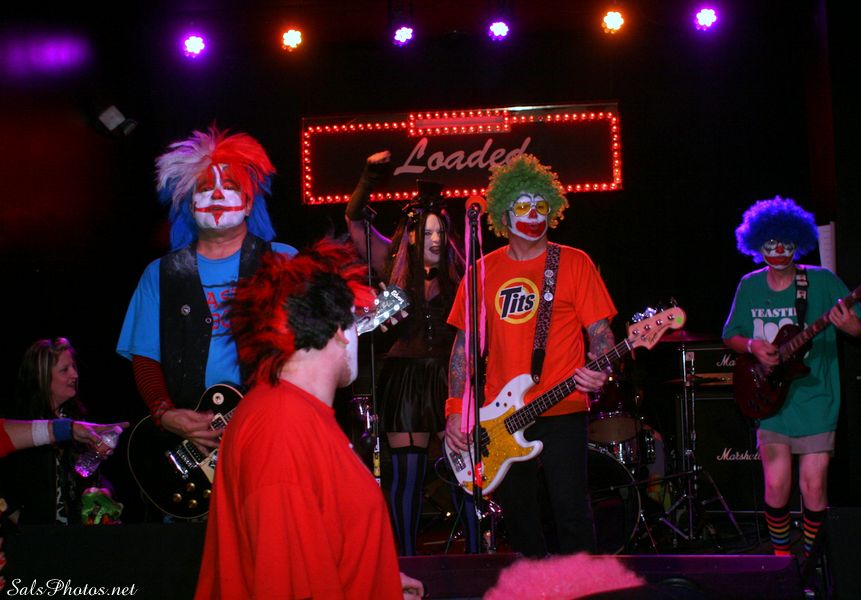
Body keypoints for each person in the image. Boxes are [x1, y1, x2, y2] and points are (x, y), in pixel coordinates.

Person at [194, 238, 423, 600]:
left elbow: (323, 543)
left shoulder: (297, 414)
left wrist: (378, 582)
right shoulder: (283, 430)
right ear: (339, 330)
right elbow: (283, 585)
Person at [443, 154, 617, 557]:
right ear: (503, 214)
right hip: (500, 417)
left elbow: (601, 335)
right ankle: (532, 582)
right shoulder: (481, 271)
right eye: (523, 206)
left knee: (570, 509)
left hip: (563, 404)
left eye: (541, 205)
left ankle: (584, 582)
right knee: (519, 517)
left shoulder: (573, 262)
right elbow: (464, 348)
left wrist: (602, 367)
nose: (535, 214)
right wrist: (455, 410)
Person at [117, 126, 296, 461]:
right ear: (190, 205)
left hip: (272, 430)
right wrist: (165, 413)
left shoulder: (285, 262)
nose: (216, 195)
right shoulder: (161, 274)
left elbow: (318, 342)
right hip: (192, 449)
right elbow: (144, 356)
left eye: (229, 187)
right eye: (204, 188)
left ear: (248, 204)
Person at [722, 196, 861, 557]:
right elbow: (730, 335)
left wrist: (855, 329)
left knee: (814, 487)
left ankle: (811, 562)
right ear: (756, 245)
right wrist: (752, 345)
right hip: (771, 399)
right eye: (770, 243)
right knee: (776, 486)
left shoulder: (822, 281)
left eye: (786, 243)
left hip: (816, 396)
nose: (778, 250)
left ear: (798, 242)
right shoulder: (749, 285)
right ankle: (782, 562)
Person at [345, 151, 467, 555]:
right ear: (411, 235)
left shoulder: (460, 272)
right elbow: (354, 218)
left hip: (449, 378)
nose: (434, 239)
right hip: (404, 380)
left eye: (440, 232)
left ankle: (477, 557)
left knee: (464, 471)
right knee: (406, 476)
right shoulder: (392, 263)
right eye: (426, 232)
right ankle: (407, 561)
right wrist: (367, 177)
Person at [0, 338, 126, 524]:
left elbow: (86, 475)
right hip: (32, 534)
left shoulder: (77, 420)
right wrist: (14, 515)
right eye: (64, 369)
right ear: (42, 376)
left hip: (71, 533)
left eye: (74, 367)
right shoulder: (21, 424)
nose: (75, 374)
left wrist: (103, 491)